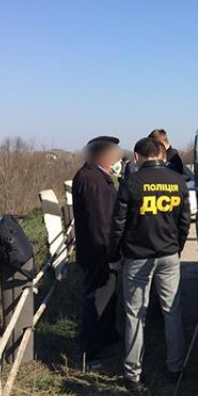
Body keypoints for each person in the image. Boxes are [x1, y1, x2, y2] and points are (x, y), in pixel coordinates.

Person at [111, 137, 191, 392]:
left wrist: (115, 252)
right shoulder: (178, 181)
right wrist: (175, 247)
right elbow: (184, 221)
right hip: (169, 255)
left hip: (137, 256)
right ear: (162, 155)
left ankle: (132, 374)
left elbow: (118, 224)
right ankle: (175, 368)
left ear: (136, 157)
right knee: (173, 311)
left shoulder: (131, 182)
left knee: (135, 314)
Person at [71, 136, 123, 362]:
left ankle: (107, 336)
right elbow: (101, 221)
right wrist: (110, 253)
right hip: (98, 251)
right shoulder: (92, 180)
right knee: (97, 298)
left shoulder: (96, 175)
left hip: (98, 249)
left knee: (108, 295)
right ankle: (91, 350)